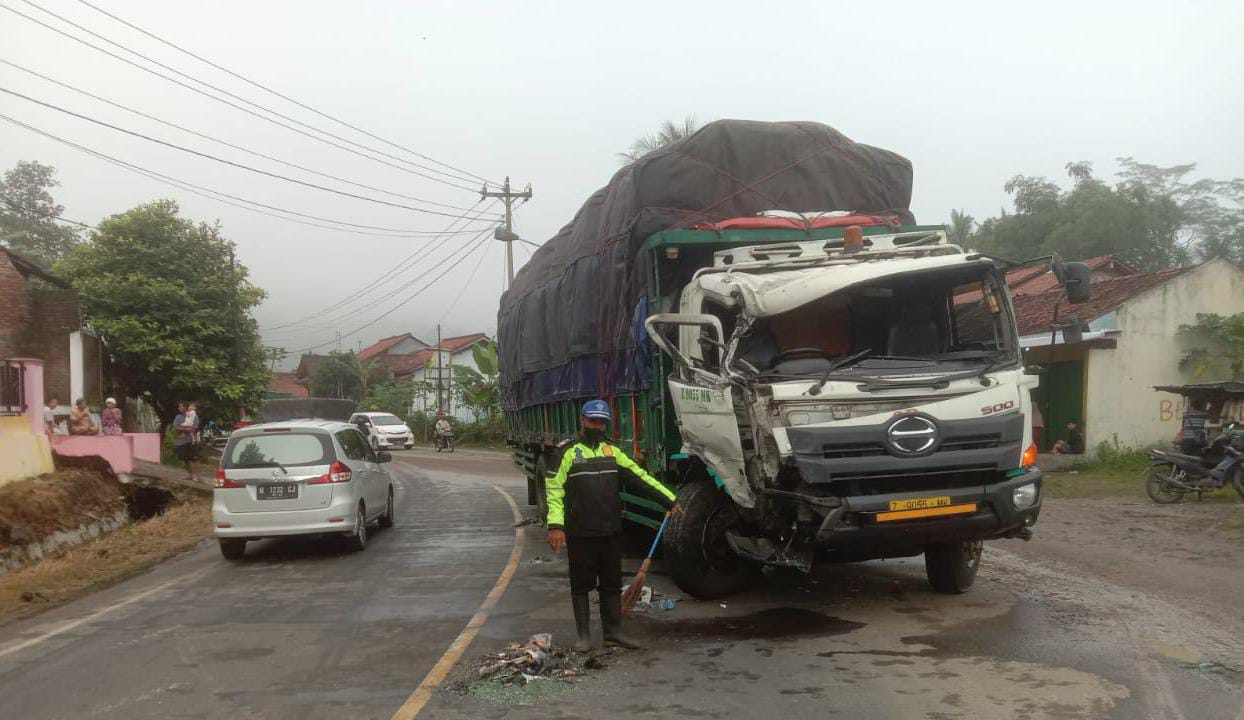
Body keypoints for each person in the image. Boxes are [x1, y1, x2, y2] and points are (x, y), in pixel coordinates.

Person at [545, 400, 682, 652]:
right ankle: (584, 637)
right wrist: (556, 525)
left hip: (610, 530)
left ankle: (613, 633)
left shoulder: (612, 451)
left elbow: (640, 478)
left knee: (611, 583)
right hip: (580, 531)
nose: (597, 426)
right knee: (581, 584)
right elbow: (554, 491)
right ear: (582, 420)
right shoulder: (567, 452)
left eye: (601, 422)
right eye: (592, 421)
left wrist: (669, 499)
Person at [172, 401, 200, 482]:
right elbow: (175, 427)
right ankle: (190, 475)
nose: (179, 408)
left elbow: (194, 428)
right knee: (185, 459)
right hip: (181, 441)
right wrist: (186, 429)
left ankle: (198, 477)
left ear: (185, 407)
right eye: (179, 407)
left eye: (181, 407)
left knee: (195, 459)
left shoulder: (193, 415)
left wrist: (182, 428)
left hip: (191, 440)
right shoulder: (178, 417)